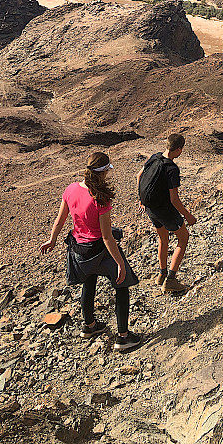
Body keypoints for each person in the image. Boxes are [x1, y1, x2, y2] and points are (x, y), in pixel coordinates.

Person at [40, 151, 141, 352]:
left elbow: (60, 220)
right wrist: (120, 263)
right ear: (103, 173)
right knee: (122, 283)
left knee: (89, 280)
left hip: (78, 250)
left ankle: (89, 325)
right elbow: (106, 237)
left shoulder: (70, 189)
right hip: (98, 251)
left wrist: (52, 240)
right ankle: (123, 337)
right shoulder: (100, 199)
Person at [137, 133, 197, 294]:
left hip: (151, 209)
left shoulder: (154, 157)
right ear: (178, 149)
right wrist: (188, 216)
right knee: (183, 239)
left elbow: (139, 176)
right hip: (164, 209)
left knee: (163, 239)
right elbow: (174, 199)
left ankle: (161, 274)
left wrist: (141, 200)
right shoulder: (171, 168)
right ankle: (171, 280)